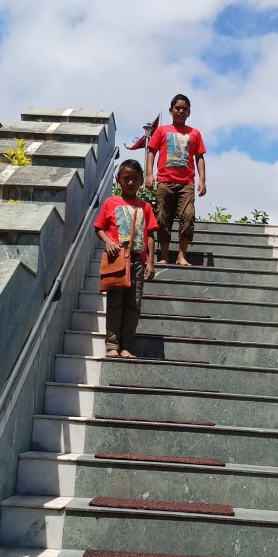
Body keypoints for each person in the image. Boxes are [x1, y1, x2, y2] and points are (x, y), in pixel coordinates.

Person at [94, 159, 158, 358]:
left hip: (138, 262)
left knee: (133, 305)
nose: (130, 183)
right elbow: (99, 228)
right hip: (117, 260)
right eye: (126, 179)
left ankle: (127, 346)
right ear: (118, 180)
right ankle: (112, 345)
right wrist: (108, 241)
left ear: (141, 182)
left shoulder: (145, 207)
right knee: (115, 304)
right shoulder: (110, 203)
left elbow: (150, 234)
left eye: (135, 179)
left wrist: (150, 262)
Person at [145, 93, 207, 265]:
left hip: (187, 183)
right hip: (164, 181)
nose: (181, 111)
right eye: (177, 108)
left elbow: (199, 157)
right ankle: (164, 256)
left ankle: (181, 255)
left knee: (188, 216)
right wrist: (149, 174)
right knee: (162, 217)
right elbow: (151, 152)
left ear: (189, 112)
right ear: (171, 111)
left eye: (184, 109)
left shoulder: (195, 133)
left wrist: (202, 180)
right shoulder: (162, 130)